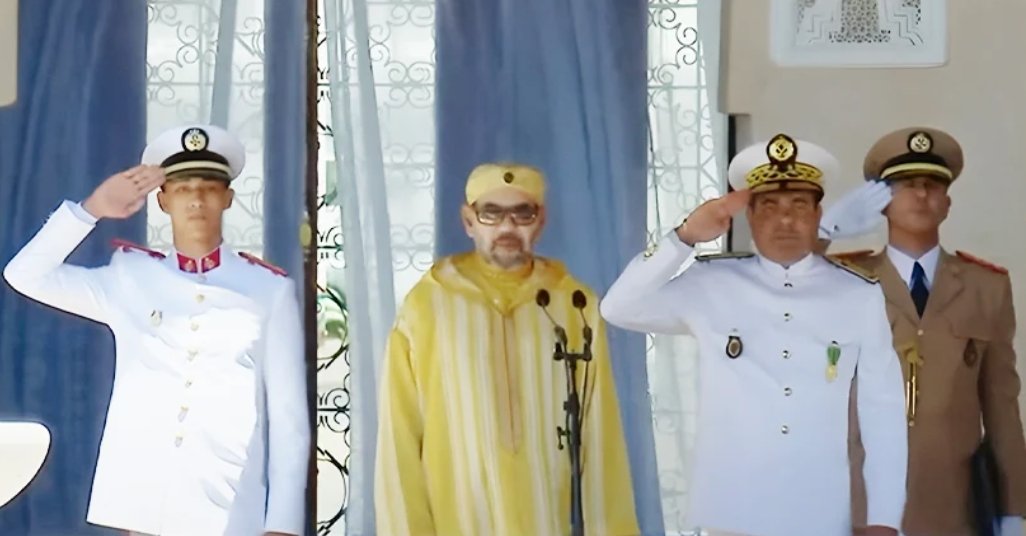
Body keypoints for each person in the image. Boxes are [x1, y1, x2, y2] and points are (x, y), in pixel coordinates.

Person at [3, 124, 309, 536]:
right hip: (144, 507)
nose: (196, 200)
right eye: (182, 189)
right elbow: (25, 275)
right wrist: (91, 209)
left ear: (228, 198)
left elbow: (289, 419)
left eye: (209, 188)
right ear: (162, 200)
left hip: (229, 506)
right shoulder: (130, 278)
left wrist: (283, 524)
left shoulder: (268, 289)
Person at [600, 134, 908, 536]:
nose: (785, 220)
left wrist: (885, 518)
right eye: (769, 206)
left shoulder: (857, 294)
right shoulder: (711, 282)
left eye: (799, 205)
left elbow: (882, 412)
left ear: (818, 214)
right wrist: (685, 236)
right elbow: (618, 307)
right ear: (749, 216)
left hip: (818, 511)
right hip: (732, 511)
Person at [374, 162, 639, 536]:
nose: (507, 227)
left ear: (541, 221)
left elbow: (600, 434)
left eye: (522, 213)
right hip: (457, 520)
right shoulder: (427, 307)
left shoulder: (572, 303)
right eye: (491, 213)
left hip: (548, 519)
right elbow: (399, 438)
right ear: (468, 221)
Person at [819, 126, 1026, 536]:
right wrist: (824, 235)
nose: (920, 194)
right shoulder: (841, 279)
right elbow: (783, 290)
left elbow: (1002, 407)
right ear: (881, 202)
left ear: (947, 203)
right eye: (905, 184)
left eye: (932, 185)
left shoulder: (985, 287)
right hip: (858, 500)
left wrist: (1013, 509)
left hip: (951, 503)